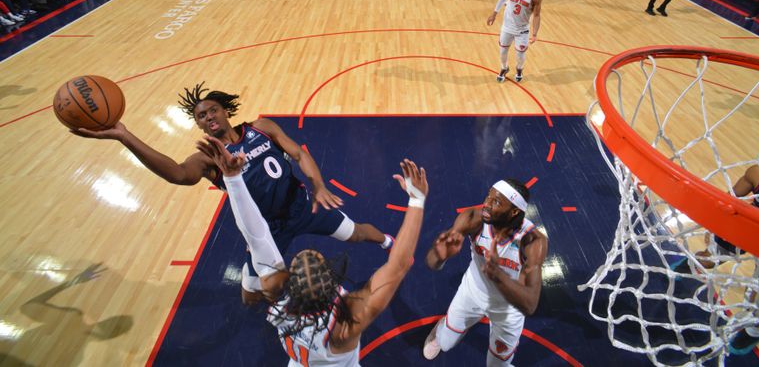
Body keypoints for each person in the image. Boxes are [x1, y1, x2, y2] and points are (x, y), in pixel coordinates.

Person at [72, 83, 393, 303]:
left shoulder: (262, 127)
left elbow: (299, 154)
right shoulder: (208, 159)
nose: (208, 117)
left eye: (212, 110)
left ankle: (387, 241)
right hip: (267, 233)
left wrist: (319, 185)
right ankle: (265, 300)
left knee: (358, 234)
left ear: (226, 111)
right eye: (200, 116)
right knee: (252, 294)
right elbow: (177, 175)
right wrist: (124, 136)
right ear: (198, 126)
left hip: (303, 208)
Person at [197, 134, 427, 366]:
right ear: (331, 280)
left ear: (288, 282)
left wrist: (232, 178)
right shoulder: (346, 325)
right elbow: (399, 265)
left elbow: (255, 234)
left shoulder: (277, 298)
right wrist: (416, 200)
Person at [671, 145, 759, 355]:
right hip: (750, 229)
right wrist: (716, 224)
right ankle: (692, 264)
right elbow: (729, 200)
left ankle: (754, 329)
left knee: (756, 296)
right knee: (708, 258)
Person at [422, 179, 547, 366]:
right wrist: (440, 257)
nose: (486, 204)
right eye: (488, 195)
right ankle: (442, 327)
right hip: (472, 293)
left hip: (509, 309)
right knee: (446, 343)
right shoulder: (474, 219)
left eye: (496, 202)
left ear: (514, 211)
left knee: (497, 365)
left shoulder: (532, 241)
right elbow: (431, 263)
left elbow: (529, 305)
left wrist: (498, 276)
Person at [487, 0, 543, 83]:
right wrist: (494, 14)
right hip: (507, 27)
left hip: (522, 30)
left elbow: (536, 15)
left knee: (520, 55)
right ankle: (504, 68)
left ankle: (519, 69)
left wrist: (535, 33)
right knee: (502, 52)